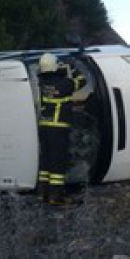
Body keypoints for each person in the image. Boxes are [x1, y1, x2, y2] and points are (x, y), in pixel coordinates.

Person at [37, 53, 85, 206]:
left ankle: (42, 193)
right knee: (58, 164)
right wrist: (72, 66)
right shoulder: (64, 84)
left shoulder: (42, 82)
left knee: (46, 162)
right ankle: (55, 197)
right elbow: (82, 81)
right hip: (58, 128)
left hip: (44, 127)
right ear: (54, 66)